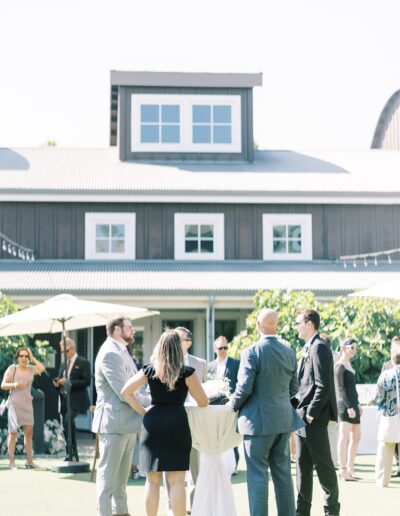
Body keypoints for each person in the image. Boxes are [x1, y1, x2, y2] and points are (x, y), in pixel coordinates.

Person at [121, 329, 208, 516]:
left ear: (160, 347)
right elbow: (203, 402)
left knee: (152, 480)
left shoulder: (149, 369)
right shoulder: (187, 373)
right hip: (177, 423)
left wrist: (143, 411)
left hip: (153, 423)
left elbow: (126, 391)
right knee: (177, 480)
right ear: (178, 348)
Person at [231, 308, 298, 516]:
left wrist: (231, 405)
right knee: (283, 475)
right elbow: (294, 388)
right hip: (283, 420)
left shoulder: (252, 351)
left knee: (258, 476)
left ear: (258, 325)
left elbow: (244, 388)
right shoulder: (289, 352)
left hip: (258, 422)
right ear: (276, 326)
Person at [92, 316, 143, 516]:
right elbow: (125, 391)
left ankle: (121, 513)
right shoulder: (109, 353)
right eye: (129, 327)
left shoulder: (122, 351)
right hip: (114, 425)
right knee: (108, 480)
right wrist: (146, 410)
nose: (133, 331)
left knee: (121, 480)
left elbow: (136, 390)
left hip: (127, 424)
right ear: (116, 329)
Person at [293, 309, 340, 516]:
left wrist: (310, 414)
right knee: (302, 470)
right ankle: (301, 512)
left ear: (309, 324)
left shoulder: (319, 347)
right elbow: (304, 385)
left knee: (324, 469)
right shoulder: (308, 347)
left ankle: (331, 512)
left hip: (314, 420)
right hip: (301, 419)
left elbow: (323, 385)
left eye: (298, 323)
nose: (296, 327)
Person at [175, 326, 207, 511]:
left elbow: (205, 389)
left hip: (196, 418)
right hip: (174, 417)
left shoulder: (200, 363)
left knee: (196, 467)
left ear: (189, 342)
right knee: (174, 468)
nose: (177, 343)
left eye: (180, 339)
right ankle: (173, 508)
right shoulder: (164, 361)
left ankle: (195, 507)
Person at [1, 346, 45, 469]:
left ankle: (29, 461)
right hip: (15, 404)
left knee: (29, 433)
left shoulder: (31, 369)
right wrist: (15, 384)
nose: (24, 358)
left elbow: (42, 368)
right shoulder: (12, 368)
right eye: (22, 356)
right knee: (13, 433)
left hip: (27, 403)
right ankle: (12, 462)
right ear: (17, 357)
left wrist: (33, 358)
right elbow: (3, 385)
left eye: (26, 356)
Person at [53, 337, 91, 461]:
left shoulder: (83, 362)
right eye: (63, 351)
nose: (65, 354)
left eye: (66, 351)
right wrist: (57, 383)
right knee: (66, 426)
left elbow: (87, 382)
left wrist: (69, 382)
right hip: (64, 399)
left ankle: (71, 452)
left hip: (77, 399)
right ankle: (72, 452)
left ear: (73, 348)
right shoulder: (64, 363)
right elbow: (60, 378)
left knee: (68, 422)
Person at [208, 335, 240, 471]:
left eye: (225, 347)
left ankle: (234, 465)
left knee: (232, 433)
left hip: (231, 405)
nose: (223, 350)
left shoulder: (236, 364)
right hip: (214, 407)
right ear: (215, 349)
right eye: (220, 348)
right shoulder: (210, 366)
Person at [334, 338, 362, 481]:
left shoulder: (349, 364)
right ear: (344, 347)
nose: (354, 350)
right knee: (344, 437)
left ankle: (350, 468)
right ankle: (343, 470)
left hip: (353, 404)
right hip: (344, 405)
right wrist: (349, 406)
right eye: (352, 347)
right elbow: (340, 389)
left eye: (355, 348)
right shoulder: (339, 366)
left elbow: (352, 388)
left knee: (356, 436)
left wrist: (357, 404)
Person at [375, 339, 400, 487]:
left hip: (390, 416)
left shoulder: (386, 375)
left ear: (392, 359)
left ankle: (382, 481)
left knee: (385, 449)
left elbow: (380, 397)